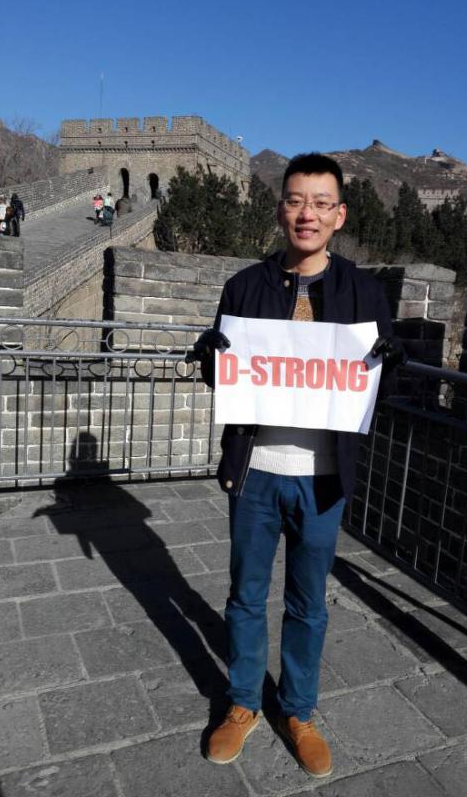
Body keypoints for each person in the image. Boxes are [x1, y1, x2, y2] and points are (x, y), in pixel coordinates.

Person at [189, 153, 402, 778]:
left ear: (339, 215)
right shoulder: (244, 287)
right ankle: (243, 703)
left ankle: (299, 711)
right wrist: (209, 356)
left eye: (320, 203)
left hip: (323, 478)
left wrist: (394, 363)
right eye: (295, 200)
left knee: (309, 603)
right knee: (245, 597)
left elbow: (378, 387)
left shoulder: (363, 291)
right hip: (256, 471)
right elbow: (228, 378)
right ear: (281, 208)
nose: (307, 213)